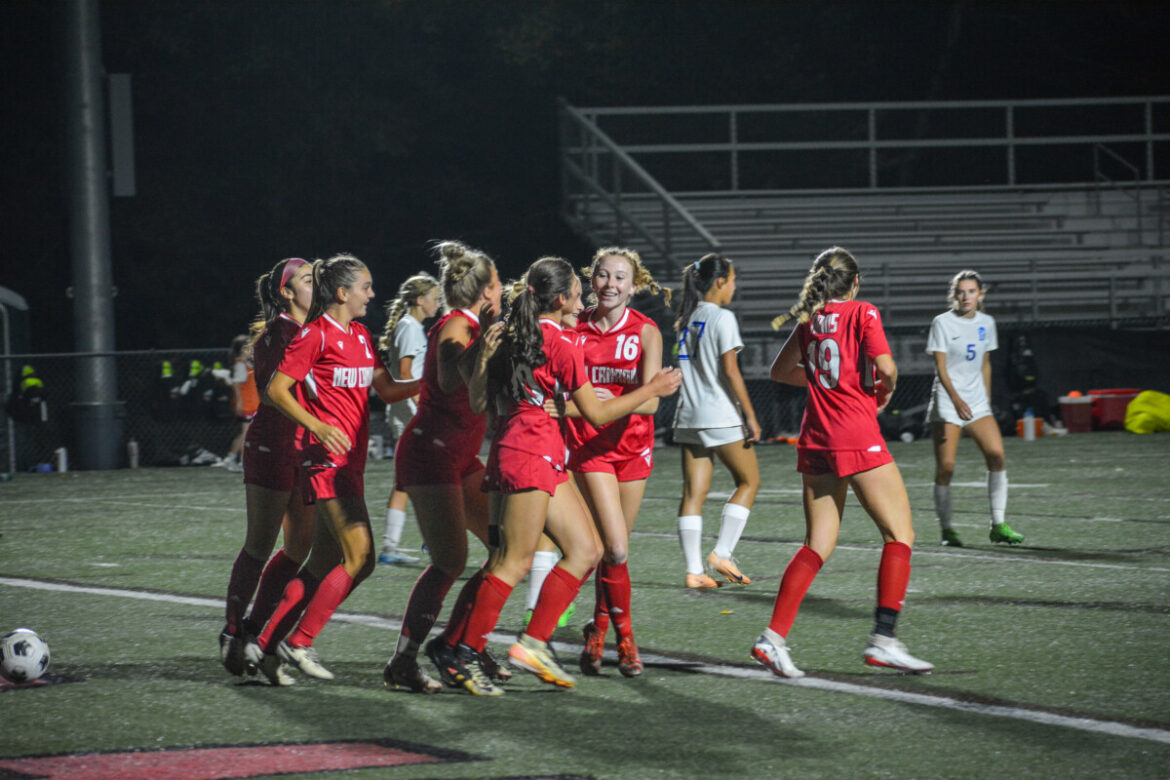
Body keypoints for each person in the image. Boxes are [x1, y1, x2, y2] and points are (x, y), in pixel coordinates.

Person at [427, 256, 680, 696]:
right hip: (531, 454)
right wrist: (651, 390)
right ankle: (465, 652)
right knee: (513, 562)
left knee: (587, 549)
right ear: (561, 299)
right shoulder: (561, 342)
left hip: (526, 451)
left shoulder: (515, 334)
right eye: (579, 294)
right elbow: (598, 413)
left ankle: (526, 642)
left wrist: (484, 350)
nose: (585, 300)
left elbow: (477, 397)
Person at [753, 246, 933, 679]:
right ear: (855, 282)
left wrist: (823, 382)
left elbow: (780, 372)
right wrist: (881, 390)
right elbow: (888, 368)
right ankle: (883, 641)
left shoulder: (809, 320)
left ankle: (773, 639)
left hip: (816, 436)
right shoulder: (864, 312)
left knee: (817, 544)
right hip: (855, 434)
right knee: (900, 533)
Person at [245, 254, 420, 685]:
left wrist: (432, 380)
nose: (373, 294)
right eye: (366, 286)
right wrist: (317, 425)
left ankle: (266, 646)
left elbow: (386, 389)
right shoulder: (314, 336)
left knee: (323, 561)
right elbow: (276, 390)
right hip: (325, 464)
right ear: (342, 292)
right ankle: (300, 641)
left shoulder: (360, 334)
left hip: (351, 466)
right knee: (361, 559)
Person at [383, 241, 504, 694]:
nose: (502, 290)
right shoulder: (458, 324)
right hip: (430, 452)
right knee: (451, 560)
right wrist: (486, 343)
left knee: (504, 548)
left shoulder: (474, 324)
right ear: (484, 290)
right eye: (496, 283)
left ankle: (465, 640)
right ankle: (405, 661)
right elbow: (454, 378)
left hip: (458, 455)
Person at [220, 258, 331, 682]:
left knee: (300, 548)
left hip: (306, 449)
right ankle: (232, 631)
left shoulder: (318, 329)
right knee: (259, 545)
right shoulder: (275, 335)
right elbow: (272, 394)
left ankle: (254, 630)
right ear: (286, 291)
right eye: (307, 280)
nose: (315, 285)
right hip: (273, 446)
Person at [563, 247, 670, 678]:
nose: (611, 284)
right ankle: (626, 640)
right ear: (592, 281)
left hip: (634, 449)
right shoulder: (574, 328)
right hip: (590, 449)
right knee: (616, 546)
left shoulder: (646, 332)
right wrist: (596, 405)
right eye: (603, 276)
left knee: (614, 552)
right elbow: (563, 399)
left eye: (620, 277)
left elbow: (652, 407)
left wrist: (615, 401)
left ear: (634, 284)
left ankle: (597, 630)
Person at [672, 253, 761, 589]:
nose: (735, 287)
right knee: (749, 482)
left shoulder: (687, 318)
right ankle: (722, 552)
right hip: (719, 415)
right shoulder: (722, 318)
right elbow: (731, 371)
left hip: (688, 415)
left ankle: (694, 571)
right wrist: (749, 416)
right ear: (720, 281)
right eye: (733, 280)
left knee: (693, 493)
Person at [927, 270, 1023, 547]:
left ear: (980, 294)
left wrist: (986, 401)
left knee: (997, 456)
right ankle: (947, 530)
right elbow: (940, 368)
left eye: (971, 291)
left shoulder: (987, 323)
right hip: (948, 399)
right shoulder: (942, 323)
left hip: (977, 402)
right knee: (946, 466)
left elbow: (985, 363)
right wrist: (956, 400)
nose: (965, 296)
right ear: (953, 295)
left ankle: (998, 524)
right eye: (960, 291)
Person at [376, 272, 442, 565]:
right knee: (420, 477)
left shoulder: (411, 327)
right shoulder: (410, 328)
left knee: (413, 479)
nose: (438, 304)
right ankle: (419, 541)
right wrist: (423, 409)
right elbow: (405, 375)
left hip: (408, 410)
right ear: (420, 300)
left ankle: (419, 541)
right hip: (408, 412)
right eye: (435, 299)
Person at [216, 334, 261, 473]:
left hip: (250, 403)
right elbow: (236, 384)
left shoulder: (245, 364)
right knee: (247, 434)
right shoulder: (241, 365)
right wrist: (240, 402)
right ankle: (243, 462)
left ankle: (230, 459)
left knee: (245, 434)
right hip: (247, 404)